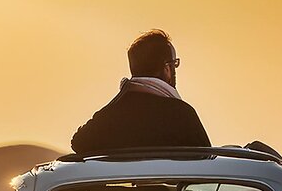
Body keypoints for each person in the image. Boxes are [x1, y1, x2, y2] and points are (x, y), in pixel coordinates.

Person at [70, 29, 211, 154]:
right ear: (167, 68)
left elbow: (78, 142)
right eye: (175, 64)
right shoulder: (182, 115)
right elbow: (207, 162)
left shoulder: (115, 113)